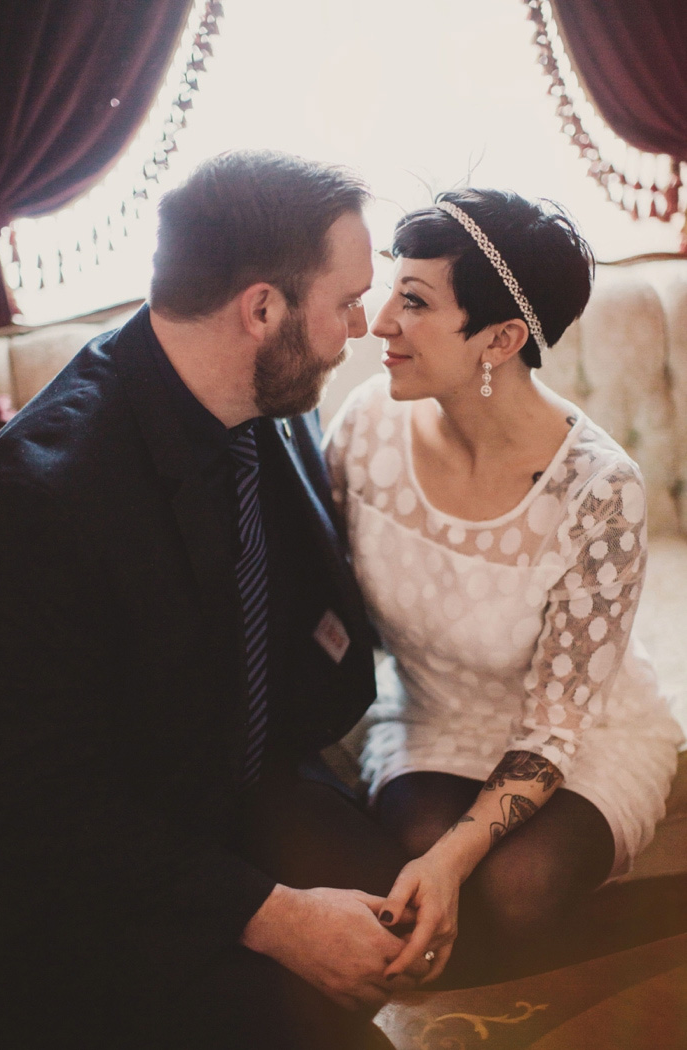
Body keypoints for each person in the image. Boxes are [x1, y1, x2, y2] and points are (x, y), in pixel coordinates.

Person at [0, 150, 428, 1050]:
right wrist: (275, 916)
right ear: (261, 309)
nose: (361, 327)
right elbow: (42, 805)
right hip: (105, 872)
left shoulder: (273, 394)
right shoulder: (41, 499)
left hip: (245, 785)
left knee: (403, 916)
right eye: (346, 302)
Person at [324, 187, 685, 986]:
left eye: (414, 301)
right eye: (393, 288)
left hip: (584, 736)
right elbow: (322, 593)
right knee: (416, 875)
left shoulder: (598, 490)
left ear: (502, 338)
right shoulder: (365, 425)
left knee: (514, 892)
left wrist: (458, 858)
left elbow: (558, 725)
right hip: (434, 718)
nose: (380, 321)